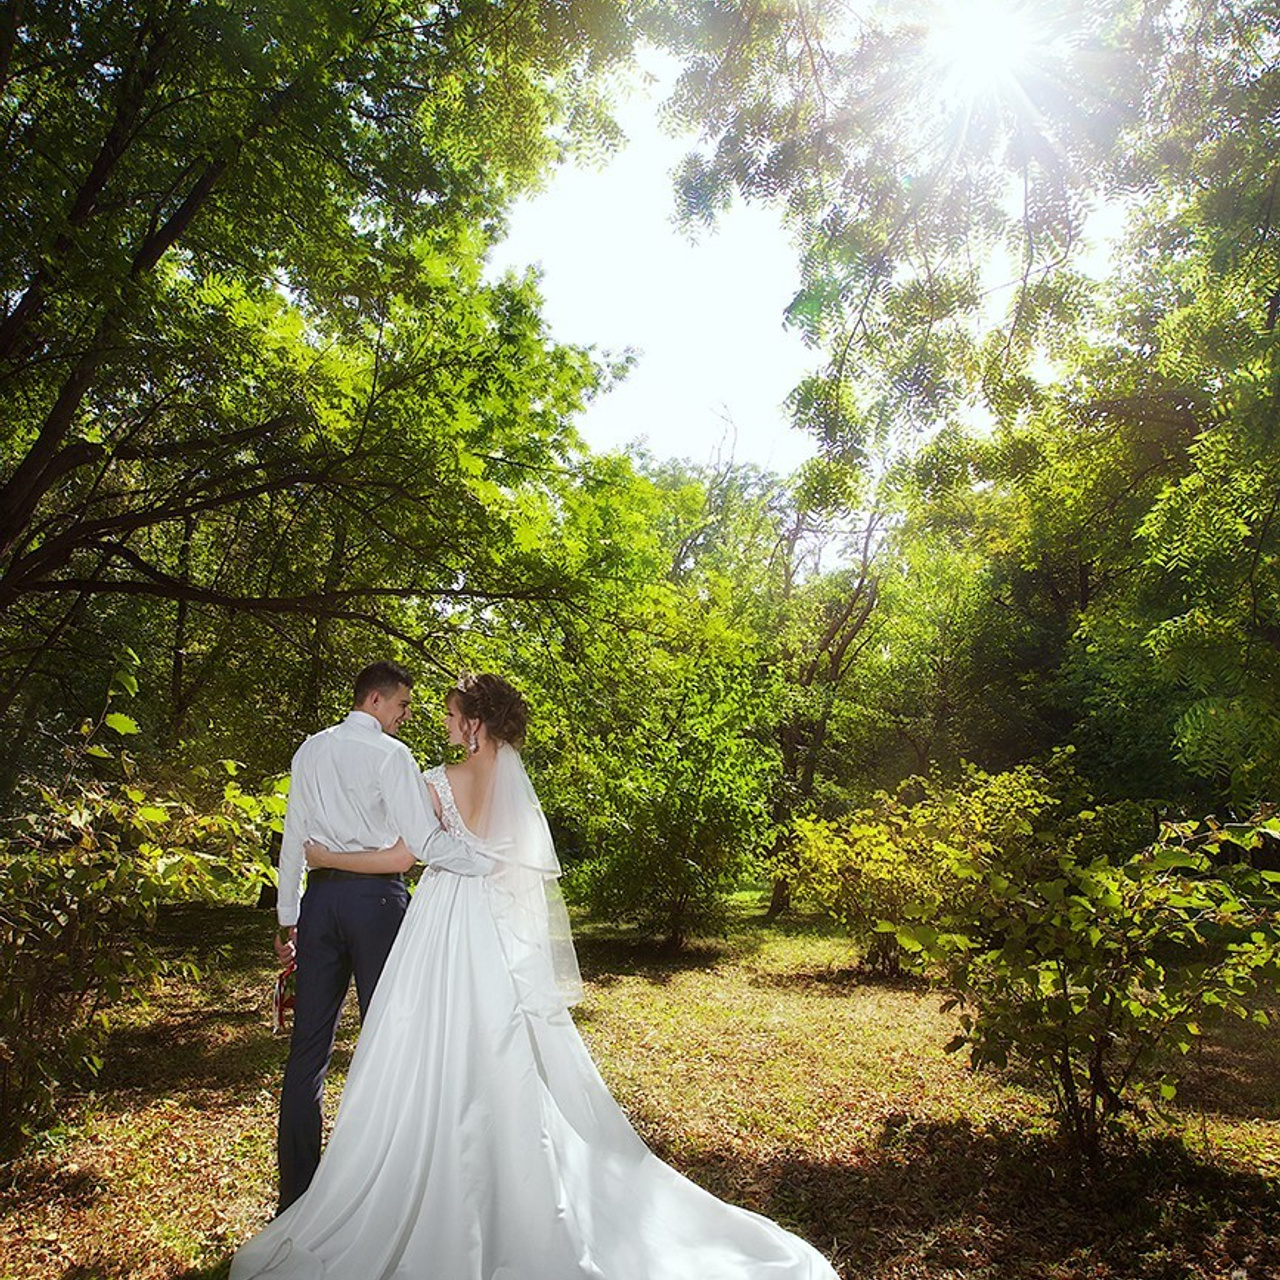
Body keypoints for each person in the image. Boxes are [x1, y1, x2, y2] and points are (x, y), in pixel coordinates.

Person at [233, 674, 840, 1280]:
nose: (439, 724)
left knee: (408, 1047)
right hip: (485, 929)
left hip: (430, 920)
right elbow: (496, 870)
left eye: (449, 716)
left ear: (472, 723)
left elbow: (410, 852)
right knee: (496, 1046)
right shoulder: (509, 786)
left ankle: (377, 1177)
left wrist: (317, 867)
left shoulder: (430, 780)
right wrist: (490, 865)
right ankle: (506, 1170)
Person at [272, 660, 491, 1212]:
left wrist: (286, 918)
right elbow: (422, 843)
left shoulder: (309, 750)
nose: (406, 717)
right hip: (378, 905)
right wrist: (486, 864)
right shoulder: (393, 757)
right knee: (388, 1042)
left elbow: (294, 837)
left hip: (319, 904)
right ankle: (387, 1191)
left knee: (307, 1053)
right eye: (401, 706)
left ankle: (296, 1195)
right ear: (374, 699)